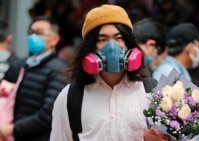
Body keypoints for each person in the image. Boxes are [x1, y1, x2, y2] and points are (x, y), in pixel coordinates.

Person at [49, 4, 166, 141]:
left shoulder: (152, 92)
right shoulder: (70, 97)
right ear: (90, 48)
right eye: (102, 39)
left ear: (128, 43)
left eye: (118, 38)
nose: (112, 47)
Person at [0, 16, 68, 141]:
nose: (33, 37)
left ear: (54, 39)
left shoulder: (59, 70)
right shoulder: (21, 65)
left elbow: (48, 114)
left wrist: (12, 129)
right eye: (31, 33)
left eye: (39, 33)